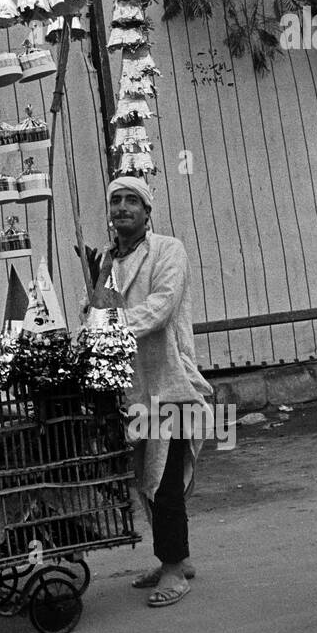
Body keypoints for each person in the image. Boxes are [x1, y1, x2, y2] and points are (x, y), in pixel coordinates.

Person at [89, 176, 213, 609]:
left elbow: (160, 308)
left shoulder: (168, 250)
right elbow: (97, 310)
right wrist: (100, 280)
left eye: (131, 201)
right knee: (147, 478)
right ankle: (171, 559)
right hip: (133, 388)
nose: (122, 207)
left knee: (165, 479)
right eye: (116, 200)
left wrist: (107, 330)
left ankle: (176, 570)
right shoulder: (109, 260)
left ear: (147, 211)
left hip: (171, 382)